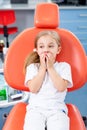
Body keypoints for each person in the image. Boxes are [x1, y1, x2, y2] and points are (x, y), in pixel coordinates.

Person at [23, 30, 73, 130]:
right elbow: (33, 88)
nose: (46, 50)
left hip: (57, 109)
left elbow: (61, 87)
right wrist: (42, 68)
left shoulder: (64, 67)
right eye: (41, 46)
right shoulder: (32, 67)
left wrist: (50, 68)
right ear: (37, 50)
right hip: (35, 110)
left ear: (58, 50)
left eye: (50, 46)